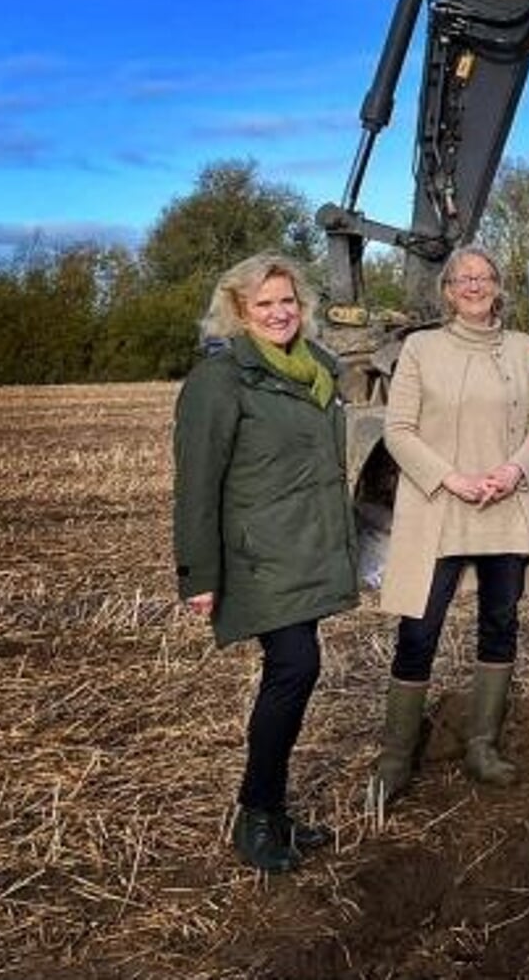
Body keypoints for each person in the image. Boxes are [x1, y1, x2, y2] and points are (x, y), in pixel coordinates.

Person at [173, 254, 359, 873]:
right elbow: (197, 482)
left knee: (298, 670)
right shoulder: (220, 380)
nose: (280, 314)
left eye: (288, 302)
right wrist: (199, 574)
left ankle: (274, 811)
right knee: (296, 666)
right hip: (259, 553)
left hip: (308, 545)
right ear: (238, 313)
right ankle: (255, 814)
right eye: (265, 305)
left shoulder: (318, 369)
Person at [370, 245, 529, 810]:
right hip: (440, 508)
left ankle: (482, 746)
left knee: (499, 624)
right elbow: (397, 430)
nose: (475, 285)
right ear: (447, 291)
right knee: (419, 631)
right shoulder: (422, 349)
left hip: (504, 505)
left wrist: (511, 470)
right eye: (463, 279)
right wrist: (449, 479)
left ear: (499, 287)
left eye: (485, 277)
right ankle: (397, 757)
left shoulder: (522, 349)